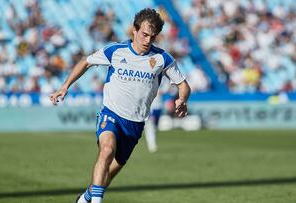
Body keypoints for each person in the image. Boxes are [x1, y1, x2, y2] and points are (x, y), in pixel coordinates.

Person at [49, 8, 191, 203]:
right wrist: (65, 86)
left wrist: (182, 99)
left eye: (152, 36)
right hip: (111, 114)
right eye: (144, 34)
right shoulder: (115, 51)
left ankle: (85, 198)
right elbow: (86, 62)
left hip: (135, 124)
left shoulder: (162, 58)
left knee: (108, 174)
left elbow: (183, 85)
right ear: (134, 30)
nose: (148, 40)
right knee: (106, 150)